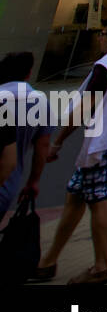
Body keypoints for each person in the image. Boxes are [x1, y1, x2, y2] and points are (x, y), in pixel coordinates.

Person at [33, 16, 107, 285]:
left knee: (99, 198)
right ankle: (48, 261)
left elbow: (83, 108)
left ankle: (101, 267)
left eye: (103, 33)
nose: (99, 37)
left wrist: (58, 141)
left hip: (102, 141)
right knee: (76, 196)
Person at [0, 52, 50, 219]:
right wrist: (33, 181)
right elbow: (42, 147)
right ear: (28, 74)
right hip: (8, 186)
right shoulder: (41, 102)